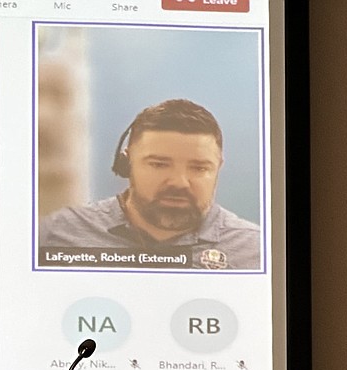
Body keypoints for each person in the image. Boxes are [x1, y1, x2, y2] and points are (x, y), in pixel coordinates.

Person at [38, 98, 261, 270]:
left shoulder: (255, 248)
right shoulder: (58, 232)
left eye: (199, 168)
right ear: (127, 163)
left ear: (218, 168)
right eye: (159, 164)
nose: (179, 182)